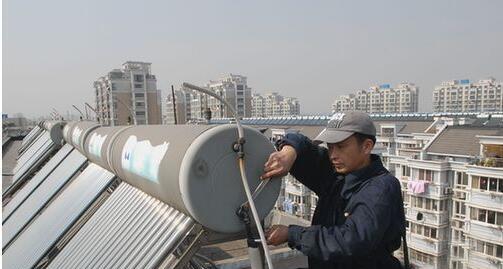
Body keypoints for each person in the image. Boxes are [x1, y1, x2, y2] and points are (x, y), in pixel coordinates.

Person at [262, 111, 407, 269]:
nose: (333, 155)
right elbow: (300, 141)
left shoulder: (381, 188)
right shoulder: (336, 174)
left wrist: (293, 234)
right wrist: (288, 154)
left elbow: (351, 241)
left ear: (366, 146)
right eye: (330, 147)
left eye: (341, 146)